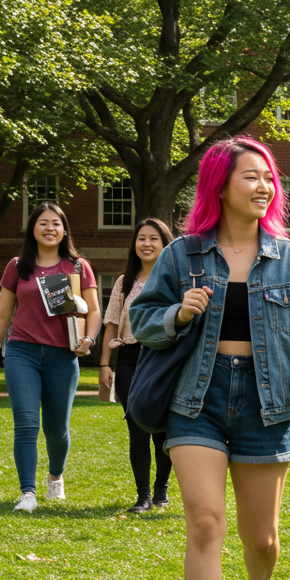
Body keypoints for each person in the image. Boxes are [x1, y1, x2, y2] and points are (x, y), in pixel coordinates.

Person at [131, 135, 290, 580]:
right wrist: (177, 312)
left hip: (267, 405)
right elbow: (140, 319)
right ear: (219, 185)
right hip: (197, 396)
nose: (264, 186)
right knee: (203, 521)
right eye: (251, 176)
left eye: (268, 177)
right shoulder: (183, 254)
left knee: (262, 539)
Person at [0, 202, 102, 513]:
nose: (50, 228)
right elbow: (3, 315)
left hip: (63, 355)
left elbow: (94, 310)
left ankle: (55, 476)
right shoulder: (17, 266)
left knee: (57, 430)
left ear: (64, 230)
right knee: (25, 423)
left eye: (56, 223)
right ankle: (28, 493)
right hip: (22, 351)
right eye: (43, 223)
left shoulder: (77, 267)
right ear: (32, 229)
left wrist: (88, 339)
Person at [101, 217, 177, 513]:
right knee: (137, 429)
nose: (146, 244)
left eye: (153, 239)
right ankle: (143, 496)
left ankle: (162, 489)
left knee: (163, 431)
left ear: (164, 244)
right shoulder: (125, 282)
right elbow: (110, 324)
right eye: (141, 238)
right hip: (130, 359)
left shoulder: (174, 280)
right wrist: (105, 365)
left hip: (163, 358)